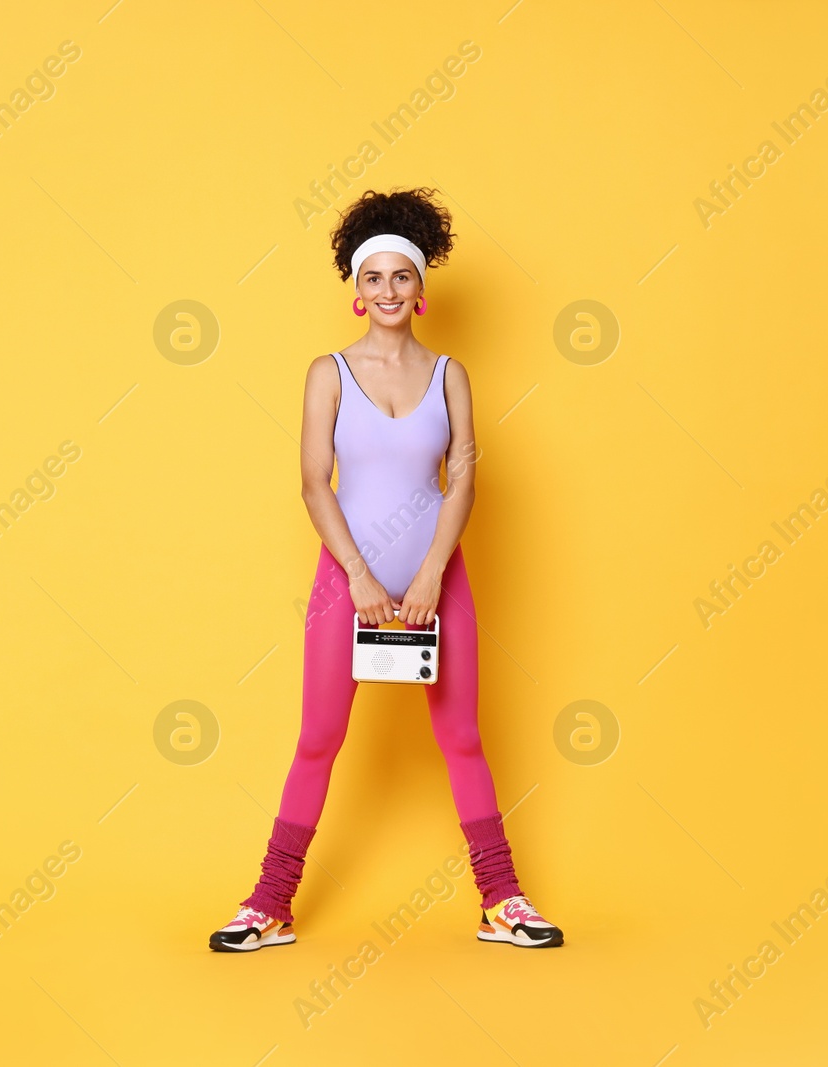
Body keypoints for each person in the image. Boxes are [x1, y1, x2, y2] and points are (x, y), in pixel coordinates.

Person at [209, 187, 562, 952]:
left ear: (422, 292)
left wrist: (433, 570)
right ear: (356, 291)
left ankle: (502, 900)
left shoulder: (450, 375)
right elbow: (313, 482)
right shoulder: (328, 373)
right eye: (375, 278)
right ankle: (270, 903)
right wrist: (362, 578)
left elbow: (463, 476)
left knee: (463, 736)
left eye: (403, 277)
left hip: (440, 579)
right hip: (349, 582)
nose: (389, 291)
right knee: (318, 738)